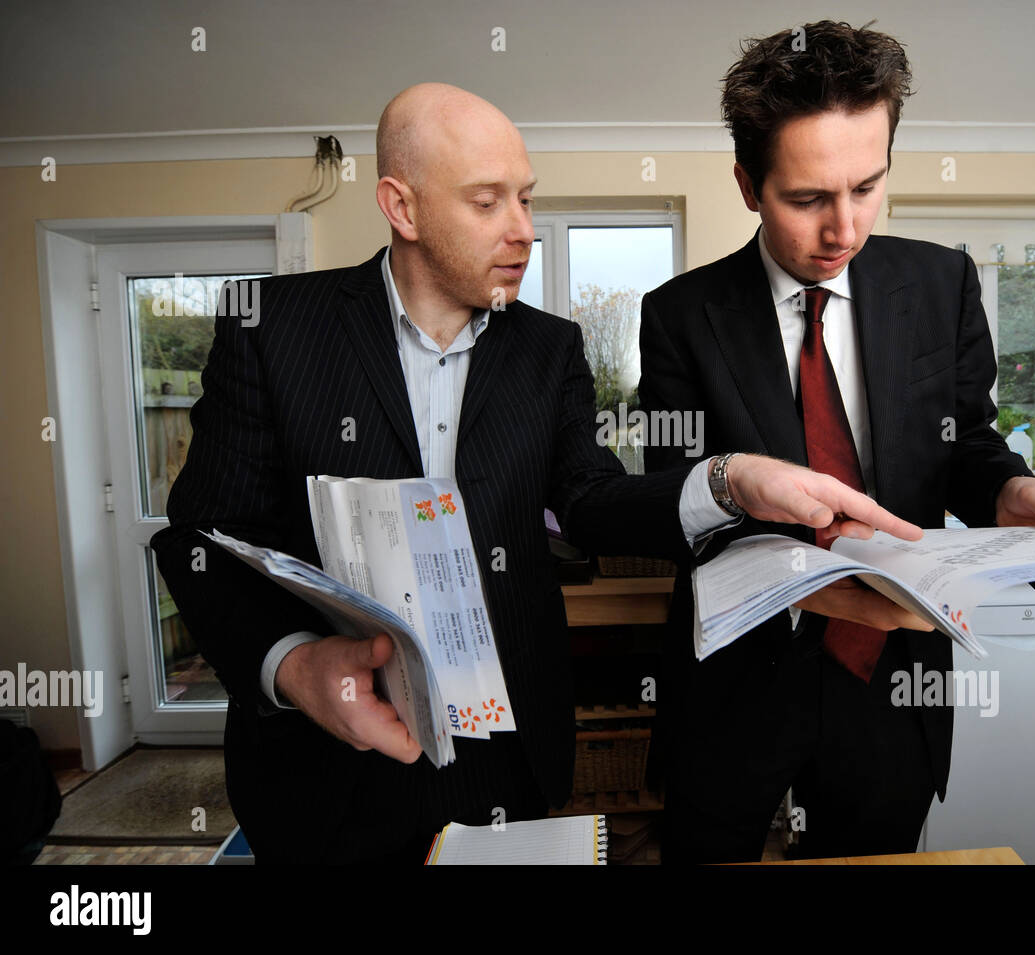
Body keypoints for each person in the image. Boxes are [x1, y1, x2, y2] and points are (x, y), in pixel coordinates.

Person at [150, 82, 922, 865]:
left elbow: (589, 501)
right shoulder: (272, 328)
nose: (523, 231)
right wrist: (296, 664)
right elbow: (199, 540)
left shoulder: (549, 350)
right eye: (489, 203)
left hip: (507, 752)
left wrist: (727, 480)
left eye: (526, 199)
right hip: (323, 764)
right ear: (402, 206)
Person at [638, 21, 1035, 863]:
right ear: (749, 186)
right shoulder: (680, 315)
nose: (845, 228)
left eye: (868, 186)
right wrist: (806, 588)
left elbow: (967, 442)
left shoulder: (941, 284)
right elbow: (677, 501)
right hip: (737, 682)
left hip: (894, 674)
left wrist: (1016, 494)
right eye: (807, 199)